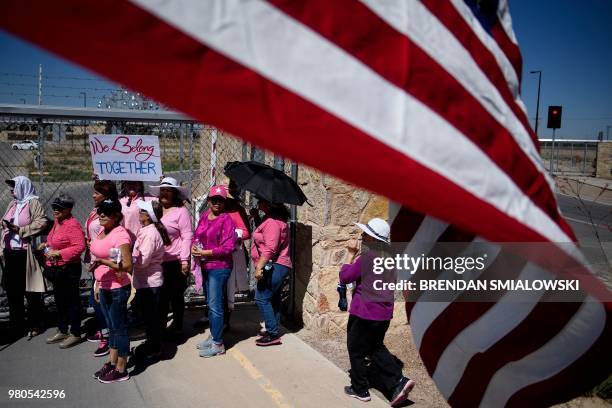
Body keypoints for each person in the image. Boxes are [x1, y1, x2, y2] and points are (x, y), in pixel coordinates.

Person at [340, 218, 415, 406]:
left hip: (364, 312)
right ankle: (399, 381)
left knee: (356, 349)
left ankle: (360, 389)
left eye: (366, 234)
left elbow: (345, 276)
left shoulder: (367, 258)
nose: (363, 236)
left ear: (373, 239)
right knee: (375, 347)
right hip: (383, 312)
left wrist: (350, 254)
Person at [90, 199, 133, 384]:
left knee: (119, 328)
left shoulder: (120, 235)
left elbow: (128, 265)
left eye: (106, 212)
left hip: (117, 287)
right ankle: (112, 361)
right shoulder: (102, 230)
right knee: (112, 328)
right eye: (100, 210)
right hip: (105, 285)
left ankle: (122, 368)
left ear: (116, 216)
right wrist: (98, 283)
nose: (101, 214)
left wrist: (104, 263)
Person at [0, 176, 48, 338]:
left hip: (25, 253)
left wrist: (20, 229)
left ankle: (36, 323)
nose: (12, 191)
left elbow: (41, 223)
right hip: (10, 252)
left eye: (14, 187)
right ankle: (17, 325)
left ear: (22, 187)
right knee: (13, 291)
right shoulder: (13, 204)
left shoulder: (33, 203)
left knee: (31, 291)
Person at [192, 185, 236, 358]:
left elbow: (228, 247)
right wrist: (195, 246)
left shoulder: (226, 220)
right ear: (209, 201)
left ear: (224, 203)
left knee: (216, 305)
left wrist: (206, 252)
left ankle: (218, 344)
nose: (217, 203)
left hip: (220, 267)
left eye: (221, 200)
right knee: (211, 304)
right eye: (215, 200)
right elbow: (197, 235)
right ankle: (214, 335)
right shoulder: (204, 216)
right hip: (206, 265)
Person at [40, 194, 86, 348]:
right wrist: (46, 244)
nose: (55, 210)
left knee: (72, 301)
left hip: (69, 268)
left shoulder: (72, 224)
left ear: (68, 209)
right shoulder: (58, 222)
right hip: (57, 268)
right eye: (54, 207)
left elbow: (80, 246)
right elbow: (56, 240)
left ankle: (76, 332)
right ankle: (63, 329)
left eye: (59, 207)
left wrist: (59, 253)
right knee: (59, 300)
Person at [150, 177, 193, 339]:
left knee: (175, 296)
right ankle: (160, 327)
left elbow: (187, 236)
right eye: (163, 190)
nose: (164, 193)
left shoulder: (181, 212)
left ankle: (177, 326)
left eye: (168, 190)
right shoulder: (154, 209)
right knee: (159, 296)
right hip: (156, 261)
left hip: (174, 261)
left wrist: (184, 260)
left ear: (175, 194)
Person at [131, 200, 170, 359]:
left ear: (148, 216)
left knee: (151, 317)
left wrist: (128, 263)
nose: (138, 213)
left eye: (141, 211)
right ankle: (152, 343)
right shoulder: (146, 230)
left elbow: (143, 261)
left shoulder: (149, 234)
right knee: (149, 316)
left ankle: (155, 347)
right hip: (145, 281)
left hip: (149, 282)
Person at [251, 199, 292, 347]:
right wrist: (256, 217)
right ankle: (273, 330)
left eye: (260, 200)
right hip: (278, 265)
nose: (257, 202)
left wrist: (259, 267)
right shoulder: (271, 219)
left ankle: (273, 333)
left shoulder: (272, 222)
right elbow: (264, 237)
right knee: (273, 298)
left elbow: (270, 248)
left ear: (268, 203)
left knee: (261, 298)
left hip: (274, 265)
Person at [85, 179, 118, 357]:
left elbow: (114, 242)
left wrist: (112, 265)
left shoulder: (108, 215)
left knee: (99, 300)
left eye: (97, 193)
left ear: (106, 196)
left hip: (103, 263)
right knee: (96, 299)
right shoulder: (95, 211)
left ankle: (107, 336)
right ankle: (105, 330)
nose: (93, 195)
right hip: (95, 261)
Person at [223, 180, 251, 329]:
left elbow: (246, 232)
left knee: (228, 289)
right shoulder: (215, 211)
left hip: (233, 254)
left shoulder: (237, 211)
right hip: (214, 256)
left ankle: (225, 320)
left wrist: (234, 235)